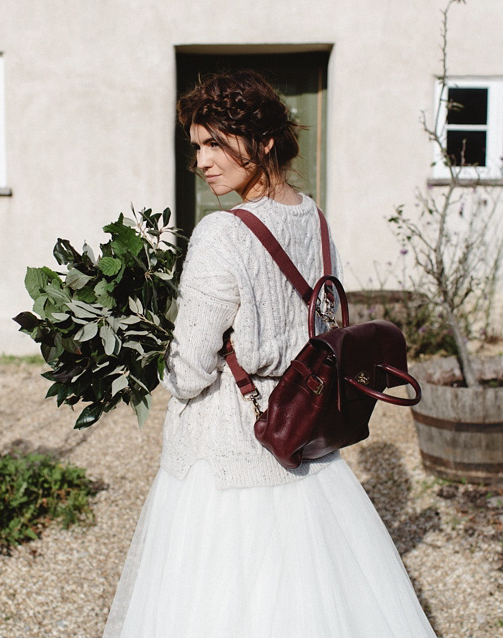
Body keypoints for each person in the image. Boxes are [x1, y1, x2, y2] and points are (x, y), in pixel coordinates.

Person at [103, 70, 436, 638]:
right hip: (302, 436)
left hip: (231, 452)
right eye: (196, 147)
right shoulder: (316, 220)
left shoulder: (221, 234)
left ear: (263, 142)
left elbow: (187, 372)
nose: (202, 161)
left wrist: (157, 352)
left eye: (214, 143)